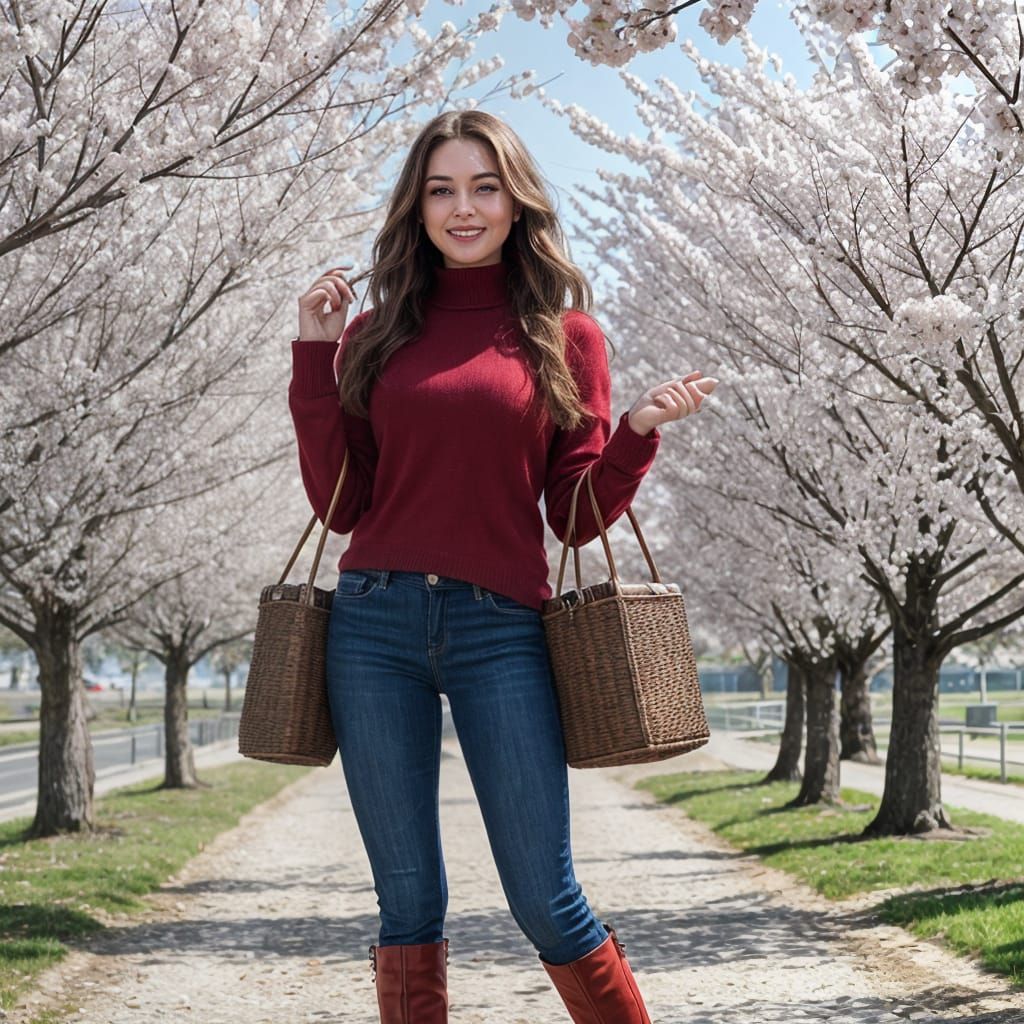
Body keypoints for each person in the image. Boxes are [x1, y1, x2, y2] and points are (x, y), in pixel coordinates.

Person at [288, 110, 716, 1024]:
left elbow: (572, 514)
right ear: (417, 207)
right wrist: (315, 361)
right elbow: (339, 504)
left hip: (502, 629)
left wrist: (634, 435)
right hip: (372, 624)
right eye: (441, 189)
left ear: (518, 202)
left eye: (484, 186)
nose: (464, 207)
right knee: (407, 909)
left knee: (545, 898)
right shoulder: (372, 333)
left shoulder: (569, 337)